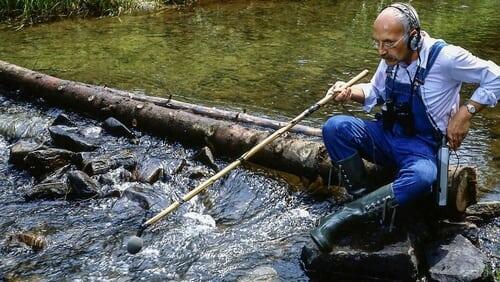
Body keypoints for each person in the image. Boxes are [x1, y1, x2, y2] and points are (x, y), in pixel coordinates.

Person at [310, 2, 500, 252]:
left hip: (421, 147)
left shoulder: (446, 58)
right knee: (335, 127)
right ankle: (364, 199)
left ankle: (346, 216)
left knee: (423, 176)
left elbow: (495, 76)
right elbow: (374, 91)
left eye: (388, 42)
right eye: (376, 42)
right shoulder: (391, 57)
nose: (381, 50)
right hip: (387, 134)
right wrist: (348, 91)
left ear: (413, 38)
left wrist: (467, 112)